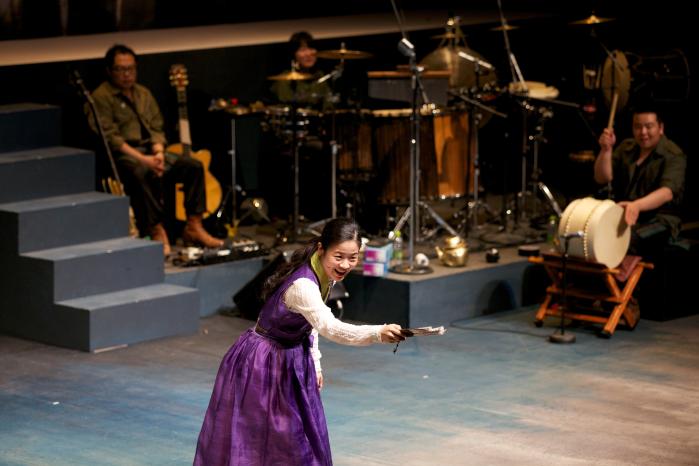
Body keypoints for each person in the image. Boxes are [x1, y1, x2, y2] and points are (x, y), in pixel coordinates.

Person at [194, 218, 404, 465]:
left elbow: (311, 323)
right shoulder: (304, 285)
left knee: (297, 437)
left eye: (353, 258)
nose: (345, 265)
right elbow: (329, 327)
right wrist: (377, 333)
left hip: (292, 357)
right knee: (261, 440)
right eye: (339, 256)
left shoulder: (323, 273)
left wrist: (315, 362)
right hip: (262, 362)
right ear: (321, 249)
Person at [88, 44, 224, 255]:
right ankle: (156, 229)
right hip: (125, 154)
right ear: (109, 70)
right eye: (121, 69)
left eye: (131, 68)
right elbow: (111, 138)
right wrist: (145, 160)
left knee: (193, 165)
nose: (127, 74)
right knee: (142, 172)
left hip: (151, 150)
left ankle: (194, 225)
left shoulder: (143, 93)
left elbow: (157, 127)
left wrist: (159, 153)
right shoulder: (101, 97)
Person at [594, 105, 687, 257]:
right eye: (638, 127)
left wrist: (637, 205)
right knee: (591, 233)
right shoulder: (626, 147)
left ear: (660, 128)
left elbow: (667, 192)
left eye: (649, 127)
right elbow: (602, 177)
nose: (643, 132)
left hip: (660, 221)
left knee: (625, 240)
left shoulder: (673, 155)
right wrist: (606, 150)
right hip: (625, 216)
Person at [270, 31, 333, 108]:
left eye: (311, 48)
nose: (308, 54)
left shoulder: (319, 75)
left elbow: (328, 104)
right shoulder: (285, 80)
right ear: (294, 54)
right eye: (303, 50)